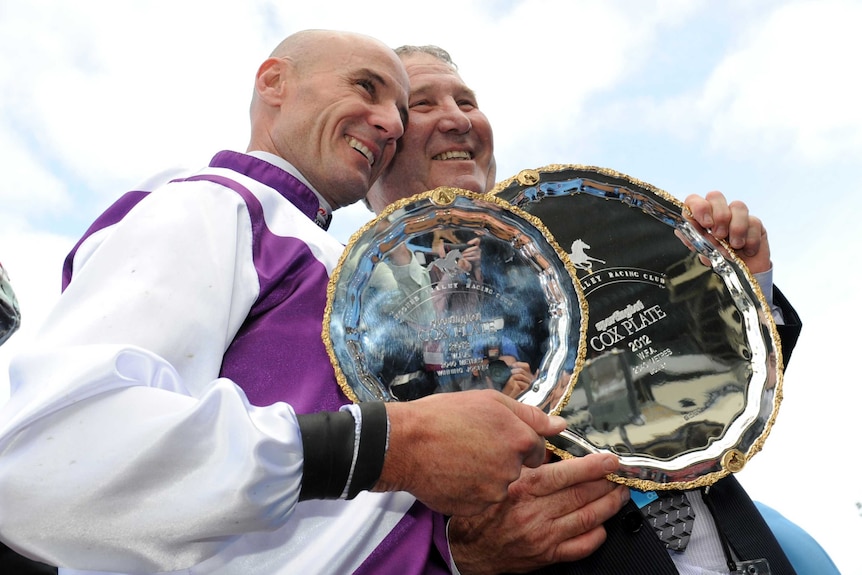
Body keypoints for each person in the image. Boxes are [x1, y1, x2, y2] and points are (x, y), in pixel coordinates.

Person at [0, 30, 573, 575]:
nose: (388, 122)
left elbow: (329, 533)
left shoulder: (342, 268)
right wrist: (393, 446)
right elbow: (47, 457)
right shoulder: (218, 205)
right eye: (367, 87)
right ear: (274, 82)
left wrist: (455, 548)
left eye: (399, 111)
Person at [365, 45, 817, 575]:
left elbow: (704, 383)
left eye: (466, 100)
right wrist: (462, 559)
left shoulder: (583, 229)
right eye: (422, 104)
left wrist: (741, 286)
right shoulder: (357, 329)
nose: (457, 118)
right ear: (379, 144)